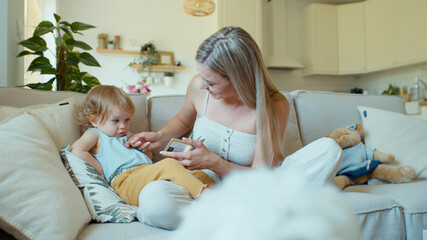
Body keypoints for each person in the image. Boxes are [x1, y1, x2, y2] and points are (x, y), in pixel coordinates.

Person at [126, 26, 342, 230]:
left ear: (239, 78)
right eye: (202, 77)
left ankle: (235, 217)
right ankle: (252, 218)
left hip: (253, 189)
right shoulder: (198, 87)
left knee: (329, 150)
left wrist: (216, 163)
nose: (203, 85)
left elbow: (261, 175)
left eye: (211, 82)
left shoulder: (273, 106)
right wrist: (159, 135)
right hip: (202, 187)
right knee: (154, 198)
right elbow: (183, 120)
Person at [70, 85, 212, 210]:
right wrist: (99, 168)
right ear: (94, 120)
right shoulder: (96, 134)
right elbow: (76, 149)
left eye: (127, 120)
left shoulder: (128, 135)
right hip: (125, 182)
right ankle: (208, 199)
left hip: (145, 175)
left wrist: (145, 151)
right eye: (115, 121)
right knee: (169, 164)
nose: (123, 126)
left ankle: (204, 202)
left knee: (200, 174)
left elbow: (147, 160)